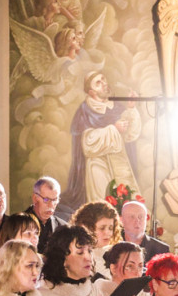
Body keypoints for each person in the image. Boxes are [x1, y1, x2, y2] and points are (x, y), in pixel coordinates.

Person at [60, 72, 141, 215]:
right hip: (98, 166)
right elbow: (87, 143)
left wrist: (131, 108)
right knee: (103, 211)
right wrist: (113, 129)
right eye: (98, 82)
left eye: (103, 79)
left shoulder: (116, 107)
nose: (103, 83)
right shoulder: (85, 111)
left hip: (119, 163)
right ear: (91, 92)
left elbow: (130, 135)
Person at [71, 200, 121, 278]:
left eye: (111, 228)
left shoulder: (113, 252)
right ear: (87, 228)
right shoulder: (79, 256)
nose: (107, 233)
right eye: (102, 228)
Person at [25, 176, 68, 252]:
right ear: (35, 198)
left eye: (55, 200)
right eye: (46, 199)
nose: (51, 205)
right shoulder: (18, 224)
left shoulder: (63, 227)